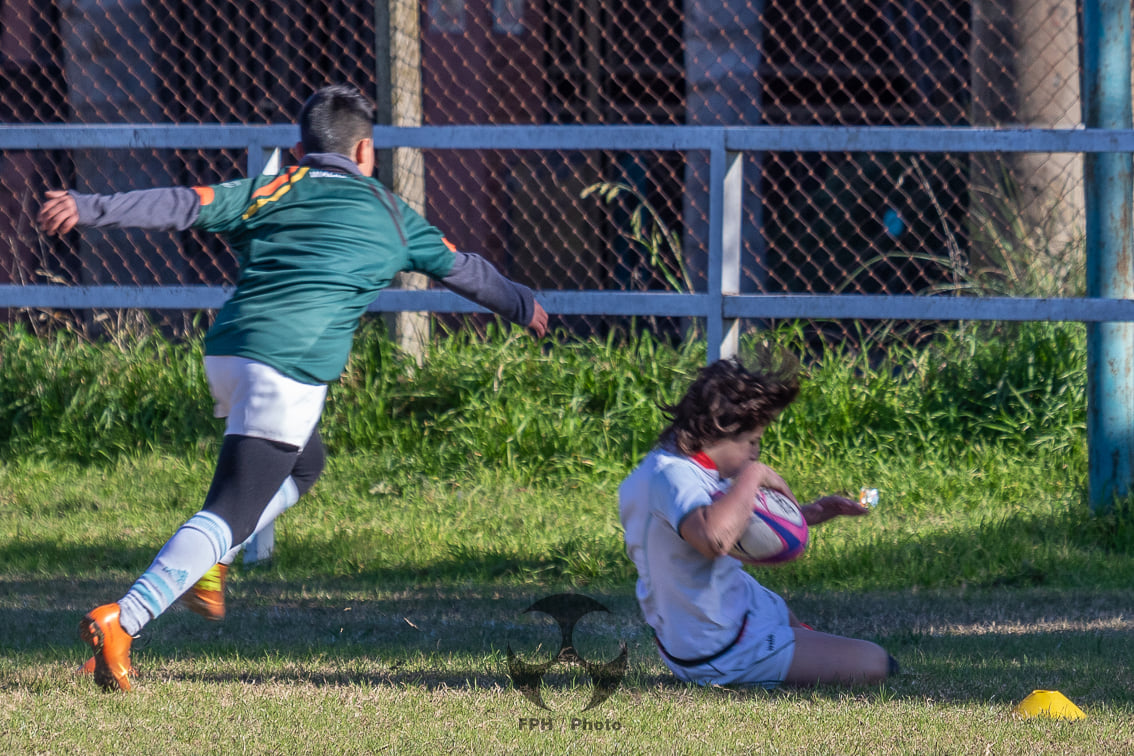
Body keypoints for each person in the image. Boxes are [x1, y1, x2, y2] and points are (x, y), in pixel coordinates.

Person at [37, 84, 548, 691]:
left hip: (227, 352)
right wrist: (524, 305)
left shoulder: (270, 188)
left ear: (298, 148)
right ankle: (126, 618)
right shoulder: (389, 212)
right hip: (288, 369)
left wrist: (90, 207)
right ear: (366, 151)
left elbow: (181, 203)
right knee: (229, 509)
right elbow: (466, 270)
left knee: (305, 466)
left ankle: (213, 558)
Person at [618, 355, 897, 688]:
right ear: (717, 429)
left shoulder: (685, 464)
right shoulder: (671, 476)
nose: (755, 452)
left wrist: (814, 513)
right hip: (719, 649)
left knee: (781, 612)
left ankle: (798, 648)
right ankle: (779, 660)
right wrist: (753, 475)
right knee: (878, 664)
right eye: (751, 442)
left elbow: (740, 526)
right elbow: (715, 539)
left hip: (732, 610)